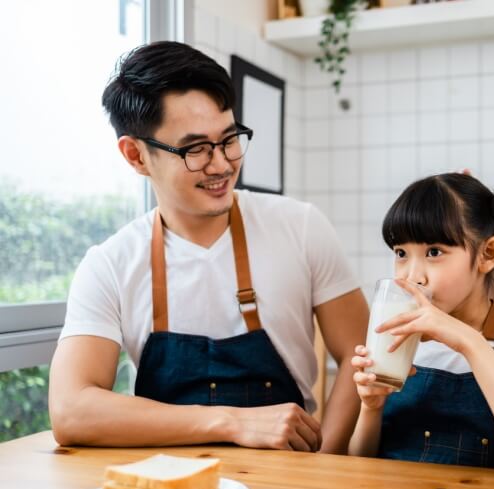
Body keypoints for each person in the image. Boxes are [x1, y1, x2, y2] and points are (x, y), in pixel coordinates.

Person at [48, 41, 368, 453]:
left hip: (295, 474)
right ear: (136, 155)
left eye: (230, 139)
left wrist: (326, 460)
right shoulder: (110, 264)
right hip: (164, 484)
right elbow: (71, 410)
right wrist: (232, 422)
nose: (221, 164)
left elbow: (361, 358)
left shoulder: (300, 226)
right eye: (195, 149)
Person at [348, 173, 494, 483]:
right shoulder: (396, 339)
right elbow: (359, 468)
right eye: (401, 253)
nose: (413, 276)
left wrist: (470, 342)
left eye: (434, 252)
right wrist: (371, 407)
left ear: (488, 254)